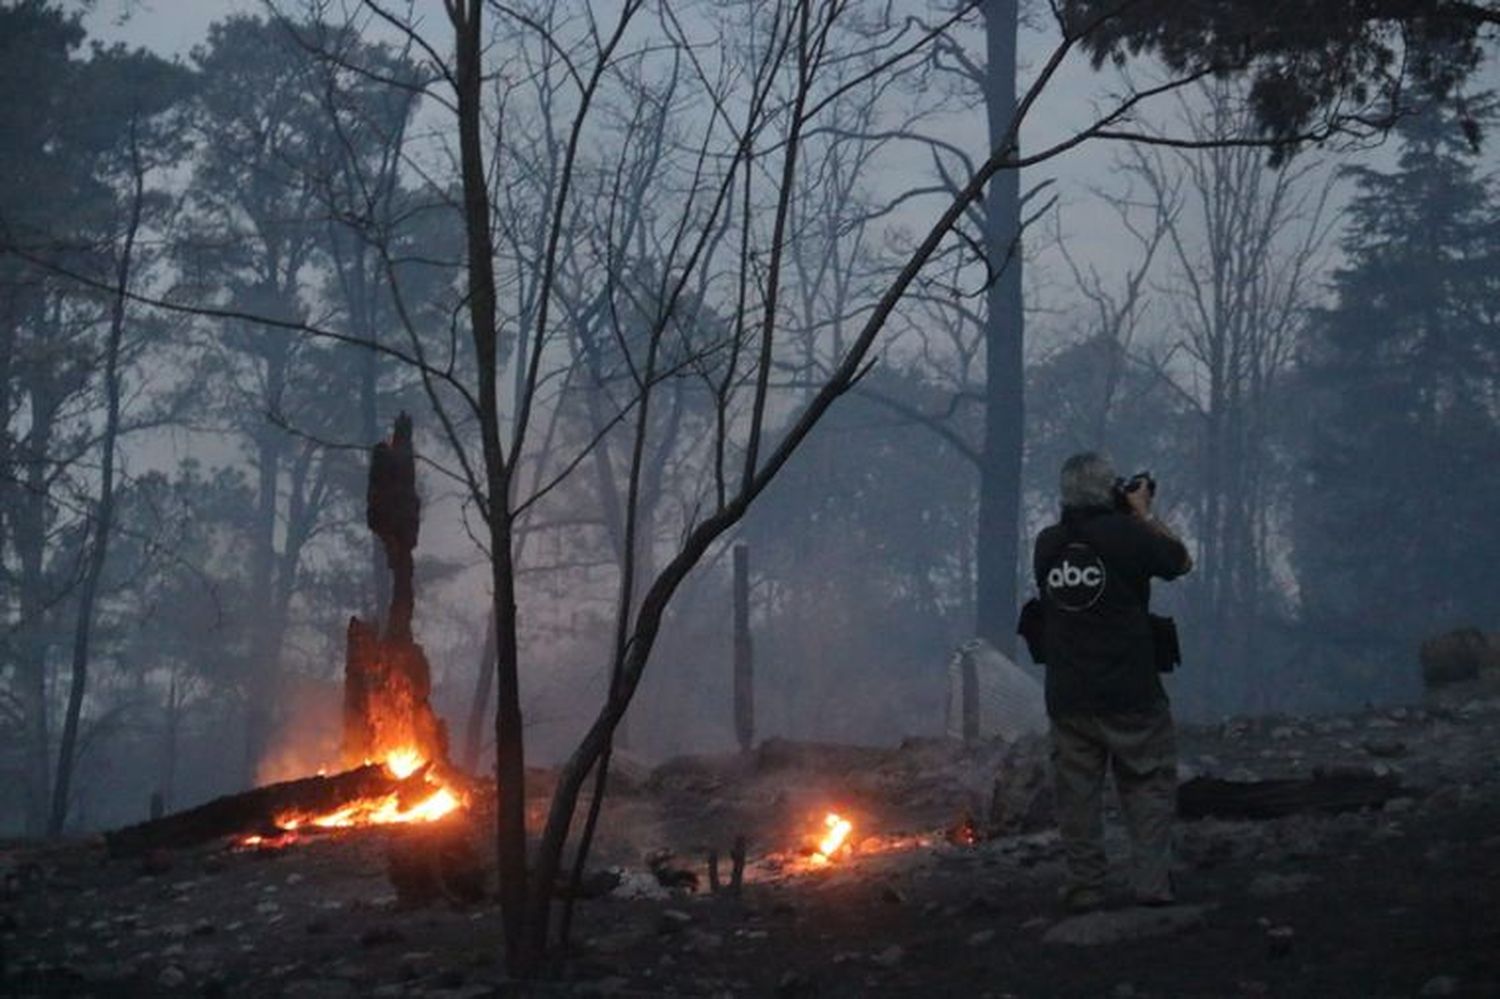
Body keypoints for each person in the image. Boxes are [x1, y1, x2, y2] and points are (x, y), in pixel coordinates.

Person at [1033, 451, 1192, 912]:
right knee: (1147, 785)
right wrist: (1143, 515)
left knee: (1077, 796)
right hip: (1131, 691)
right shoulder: (1130, 535)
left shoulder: (1047, 544)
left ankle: (1086, 886)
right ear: (1110, 491)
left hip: (1069, 695)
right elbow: (1179, 562)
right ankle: (1150, 884)